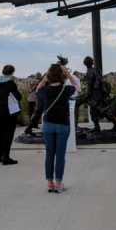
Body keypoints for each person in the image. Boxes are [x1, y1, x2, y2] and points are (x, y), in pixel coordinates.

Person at [36, 64, 78, 193]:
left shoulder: (45, 90)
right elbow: (76, 87)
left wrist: (45, 76)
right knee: (60, 155)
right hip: (62, 125)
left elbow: (38, 89)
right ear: (61, 76)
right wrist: (68, 74)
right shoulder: (65, 90)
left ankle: (49, 183)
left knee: (49, 154)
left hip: (48, 124)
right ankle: (59, 183)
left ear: (49, 76)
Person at [77, 56, 116, 132]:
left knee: (94, 109)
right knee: (101, 108)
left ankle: (98, 126)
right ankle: (114, 122)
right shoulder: (95, 70)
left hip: (95, 93)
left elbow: (89, 84)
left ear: (85, 63)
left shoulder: (89, 71)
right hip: (99, 93)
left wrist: (87, 94)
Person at [0, 65, 22, 164]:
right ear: (12, 72)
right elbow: (18, 97)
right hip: (9, 112)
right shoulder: (11, 84)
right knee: (8, 134)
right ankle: (6, 157)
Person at [24, 72, 42, 136]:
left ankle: (30, 124)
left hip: (30, 98)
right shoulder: (40, 82)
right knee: (35, 111)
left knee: (31, 111)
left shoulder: (32, 82)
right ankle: (35, 124)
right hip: (35, 98)